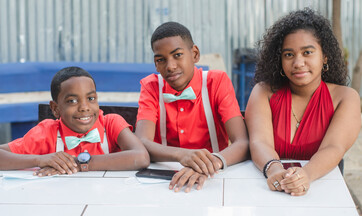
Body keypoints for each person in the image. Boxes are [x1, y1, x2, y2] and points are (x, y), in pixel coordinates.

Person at [245, 8, 361, 196]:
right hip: (269, 188)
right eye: (289, 54)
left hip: (321, 189)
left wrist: (305, 175)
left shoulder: (345, 97)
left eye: (307, 52)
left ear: (324, 57)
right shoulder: (263, 91)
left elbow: (335, 147)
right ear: (280, 59)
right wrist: (274, 170)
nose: (298, 63)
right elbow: (259, 142)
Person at [135, 22, 249, 192]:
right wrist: (182, 155)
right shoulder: (151, 86)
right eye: (161, 60)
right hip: (163, 181)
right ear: (155, 63)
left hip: (213, 178)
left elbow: (243, 142)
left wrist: (207, 164)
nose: (170, 66)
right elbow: (141, 142)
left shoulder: (217, 82)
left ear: (195, 54)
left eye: (178, 55)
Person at [0, 67, 150, 176]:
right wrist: (41, 160)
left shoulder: (111, 124)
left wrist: (79, 163)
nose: (84, 107)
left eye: (91, 99)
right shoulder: (46, 132)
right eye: (72, 101)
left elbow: (141, 157)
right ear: (55, 108)